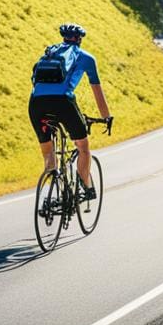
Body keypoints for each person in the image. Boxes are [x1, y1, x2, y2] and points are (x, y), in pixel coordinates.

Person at [28, 23, 112, 200]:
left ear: (63, 37)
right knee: (83, 147)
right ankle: (86, 187)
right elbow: (97, 91)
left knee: (48, 153)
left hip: (36, 104)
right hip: (63, 103)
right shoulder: (86, 58)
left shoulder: (49, 53)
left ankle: (51, 195)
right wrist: (106, 118)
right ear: (80, 39)